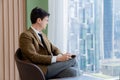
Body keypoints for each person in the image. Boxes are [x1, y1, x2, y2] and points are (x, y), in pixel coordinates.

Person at [19, 7, 77, 79]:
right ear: (39, 20)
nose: (47, 23)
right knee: (73, 60)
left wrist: (61, 56)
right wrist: (58, 59)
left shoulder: (43, 35)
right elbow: (33, 57)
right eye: (46, 20)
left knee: (73, 72)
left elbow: (54, 48)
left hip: (50, 66)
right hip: (39, 69)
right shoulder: (26, 36)